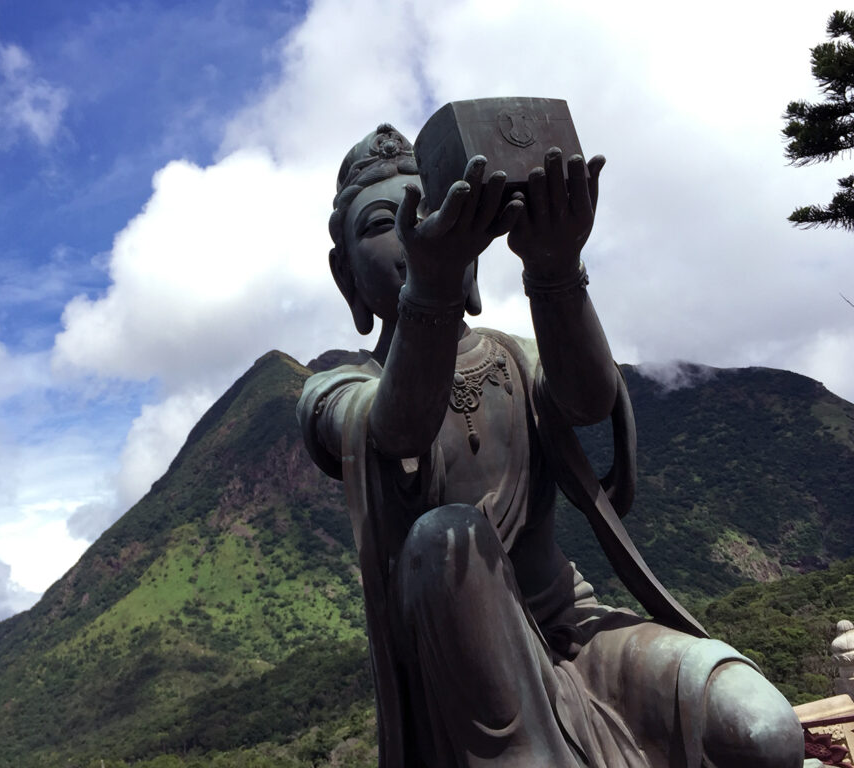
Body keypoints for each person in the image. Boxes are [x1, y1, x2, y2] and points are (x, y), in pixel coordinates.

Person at [298, 123, 804, 767]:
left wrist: (556, 268)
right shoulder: (338, 391)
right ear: (345, 274)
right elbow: (397, 428)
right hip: (468, 681)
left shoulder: (516, 358)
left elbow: (589, 400)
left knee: (764, 731)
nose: (413, 231)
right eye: (382, 223)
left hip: (576, 633)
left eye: (433, 211)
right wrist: (431, 288)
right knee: (442, 534)